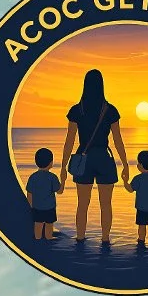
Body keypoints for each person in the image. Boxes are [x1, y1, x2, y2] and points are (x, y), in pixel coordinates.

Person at [57, 69, 126, 245]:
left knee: (82, 204)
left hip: (83, 158)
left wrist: (63, 167)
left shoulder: (76, 110)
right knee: (106, 204)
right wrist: (125, 163)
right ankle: (105, 239)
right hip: (104, 157)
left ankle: (80, 237)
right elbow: (118, 140)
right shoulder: (110, 110)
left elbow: (69, 141)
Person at [25, 147, 60, 242]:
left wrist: (30, 206)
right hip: (50, 207)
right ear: (51, 163)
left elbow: (29, 193)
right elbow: (58, 190)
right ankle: (49, 237)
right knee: (49, 224)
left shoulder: (33, 177)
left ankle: (37, 238)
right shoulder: (53, 177)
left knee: (38, 223)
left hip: (37, 207)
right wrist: (63, 181)